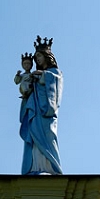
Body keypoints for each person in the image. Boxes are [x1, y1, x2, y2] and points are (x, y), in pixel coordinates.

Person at [18, 36, 62, 175]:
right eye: (36, 57)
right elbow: (26, 89)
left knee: (48, 135)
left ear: (47, 56)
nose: (37, 59)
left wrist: (43, 75)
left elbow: (55, 83)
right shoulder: (34, 74)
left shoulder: (55, 73)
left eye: (39, 56)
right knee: (33, 137)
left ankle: (51, 167)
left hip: (46, 113)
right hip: (34, 111)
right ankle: (34, 167)